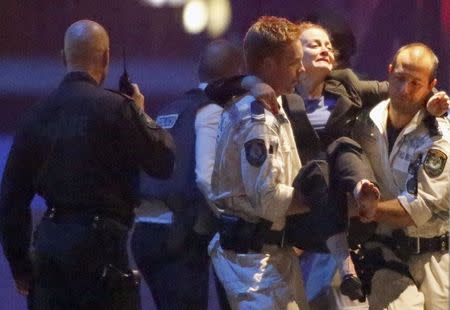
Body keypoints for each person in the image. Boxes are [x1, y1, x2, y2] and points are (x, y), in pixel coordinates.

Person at [0, 19, 175, 309]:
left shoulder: (36, 115)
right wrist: (140, 114)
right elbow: (164, 161)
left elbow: (10, 200)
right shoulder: (119, 109)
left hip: (51, 252)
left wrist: (21, 266)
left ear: (63, 57)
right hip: (103, 254)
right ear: (105, 58)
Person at [130, 39, 243, 310]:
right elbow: (205, 177)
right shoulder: (213, 111)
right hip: (178, 236)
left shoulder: (171, 110)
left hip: (145, 233)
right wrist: (235, 216)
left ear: (199, 71)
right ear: (238, 76)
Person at [208, 16, 310, 309]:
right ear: (268, 65)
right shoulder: (258, 120)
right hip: (253, 262)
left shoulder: (267, 106)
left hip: (271, 254)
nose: (301, 70)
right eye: (294, 62)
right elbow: (267, 199)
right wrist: (318, 200)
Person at [352, 43, 449, 310]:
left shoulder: (439, 137)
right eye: (400, 78)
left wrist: (367, 209)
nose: (405, 90)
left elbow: (419, 207)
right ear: (389, 72)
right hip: (384, 255)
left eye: (416, 83)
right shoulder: (366, 122)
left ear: (432, 85)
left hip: (434, 258)